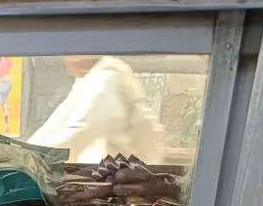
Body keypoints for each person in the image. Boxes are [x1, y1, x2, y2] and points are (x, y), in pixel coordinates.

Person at [29, 55, 163, 163]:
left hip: (127, 178)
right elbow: (56, 124)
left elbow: (77, 133)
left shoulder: (105, 80)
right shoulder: (88, 79)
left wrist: (29, 160)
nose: (65, 58)